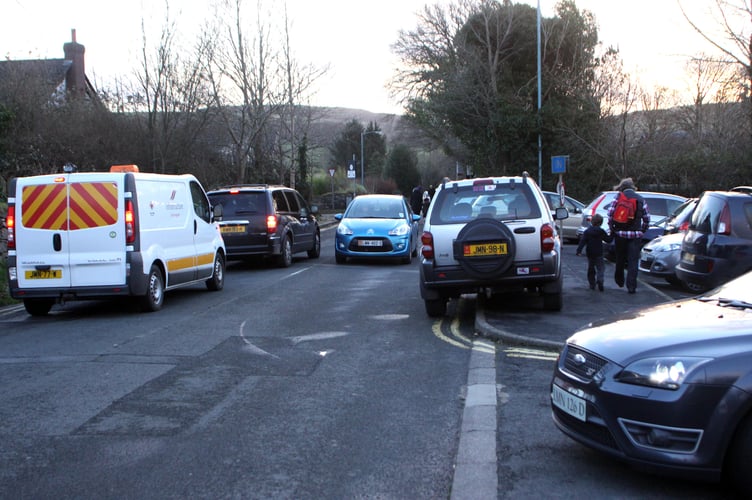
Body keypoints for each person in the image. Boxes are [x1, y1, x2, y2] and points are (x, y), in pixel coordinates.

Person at [607, 177, 650, 294]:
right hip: (635, 235)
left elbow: (610, 214)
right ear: (633, 187)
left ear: (622, 187)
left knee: (620, 258)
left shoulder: (618, 198)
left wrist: (613, 229)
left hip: (620, 234)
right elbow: (646, 218)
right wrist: (642, 230)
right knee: (633, 261)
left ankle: (619, 279)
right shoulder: (641, 199)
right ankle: (631, 286)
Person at [576, 213, 612, 291]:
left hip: (590, 252)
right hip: (599, 251)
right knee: (600, 268)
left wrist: (579, 250)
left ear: (592, 221)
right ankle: (600, 280)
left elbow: (582, 241)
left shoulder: (587, 231)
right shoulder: (601, 231)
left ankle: (592, 284)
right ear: (601, 222)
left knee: (591, 268)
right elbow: (608, 240)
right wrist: (612, 233)